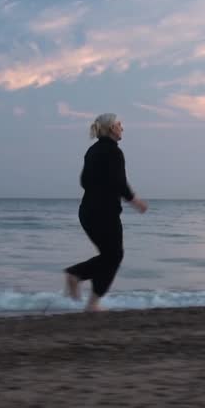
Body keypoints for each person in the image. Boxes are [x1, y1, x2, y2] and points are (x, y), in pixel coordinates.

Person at [64, 113, 148, 312]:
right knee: (114, 255)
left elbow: (83, 181)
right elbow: (119, 182)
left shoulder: (92, 150)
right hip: (104, 213)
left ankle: (86, 291)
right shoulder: (114, 152)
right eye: (119, 124)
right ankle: (83, 287)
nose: (122, 127)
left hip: (86, 212)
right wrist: (134, 200)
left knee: (109, 255)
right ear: (111, 128)